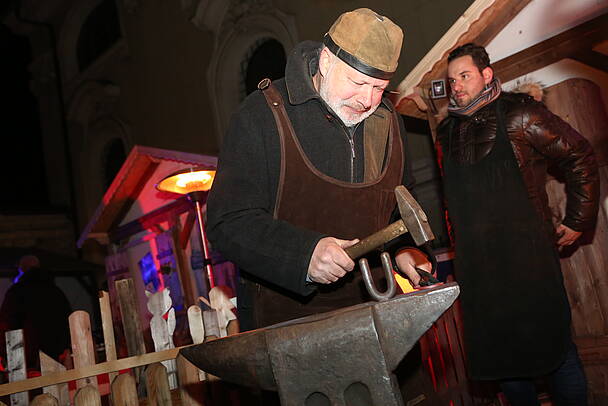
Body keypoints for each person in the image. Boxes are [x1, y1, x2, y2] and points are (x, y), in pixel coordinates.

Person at [207, 8, 437, 404]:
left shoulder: (385, 123)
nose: (368, 100)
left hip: (376, 320)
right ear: (327, 62)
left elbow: (400, 207)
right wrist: (303, 254)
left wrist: (408, 253)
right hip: (292, 328)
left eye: (380, 87)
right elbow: (228, 222)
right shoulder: (263, 116)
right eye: (359, 82)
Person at [401, 43, 599, 405]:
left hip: (529, 262)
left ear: (486, 74)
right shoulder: (447, 132)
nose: (457, 85)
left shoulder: (520, 113)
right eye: (453, 79)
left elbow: (580, 155)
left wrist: (578, 219)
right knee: (503, 364)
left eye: (465, 76)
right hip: (478, 272)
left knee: (556, 354)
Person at [0, 255, 72, 373]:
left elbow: (7, 322)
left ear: (21, 270)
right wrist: (64, 346)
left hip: (27, 356)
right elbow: (67, 319)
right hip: (55, 353)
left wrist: (4, 352)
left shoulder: (17, 292)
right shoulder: (56, 292)